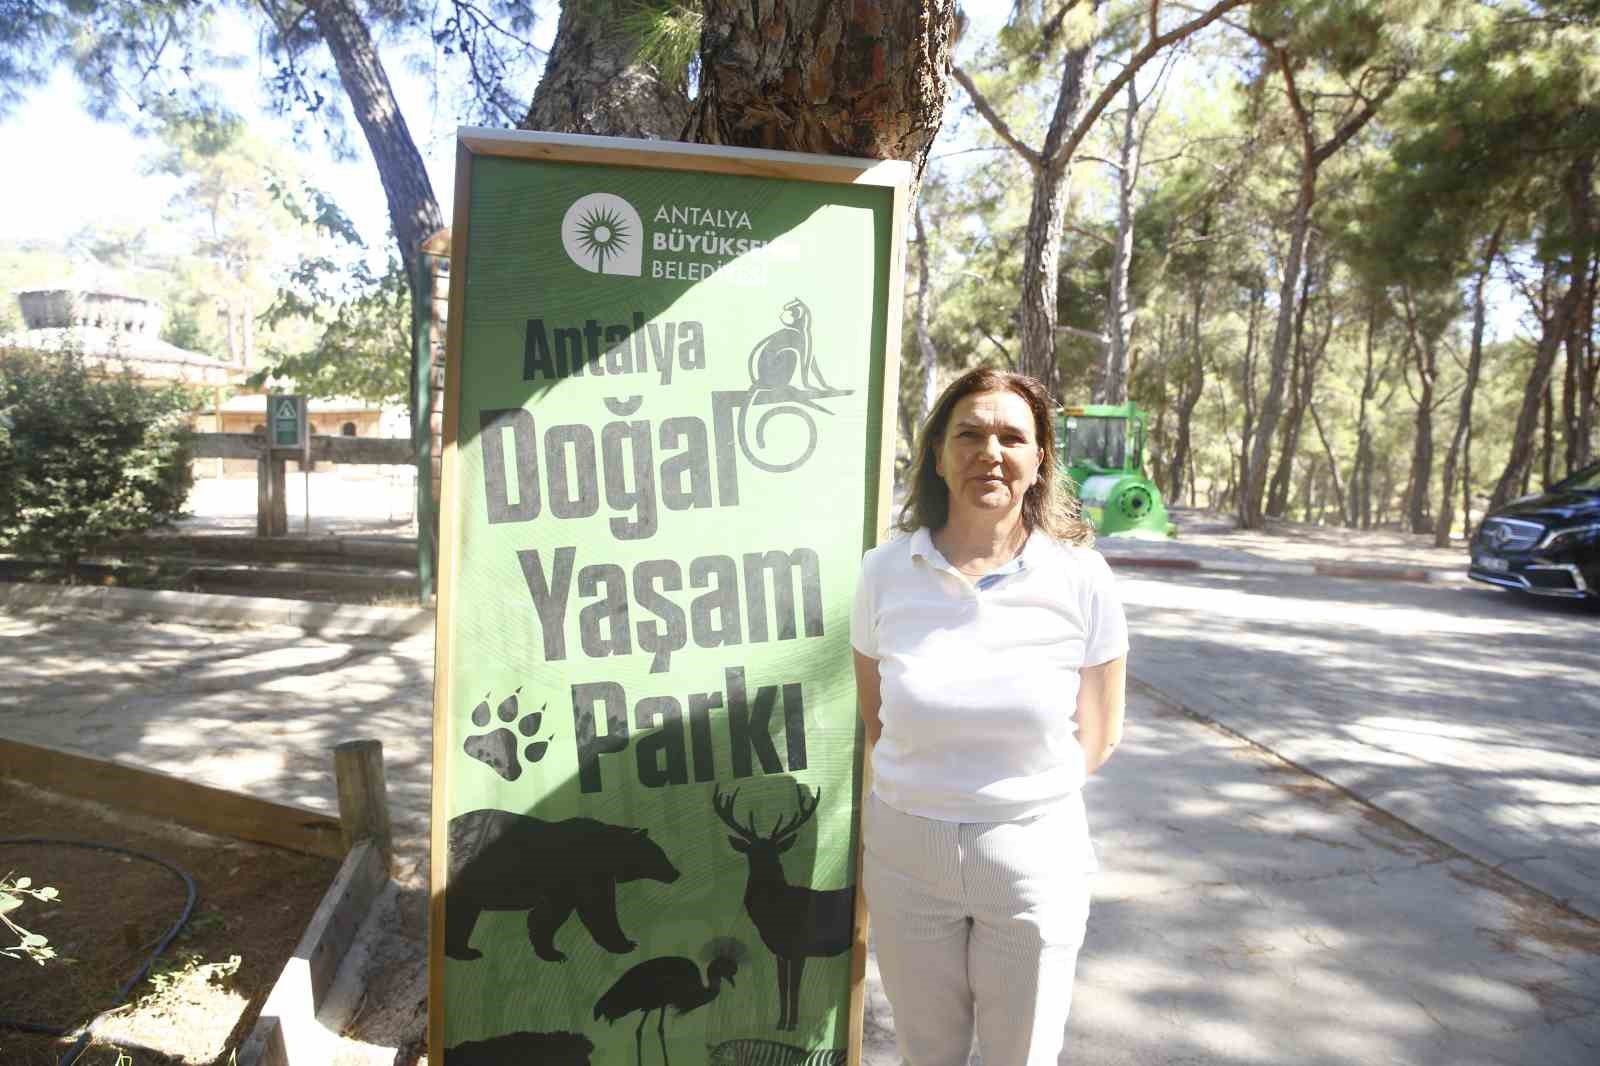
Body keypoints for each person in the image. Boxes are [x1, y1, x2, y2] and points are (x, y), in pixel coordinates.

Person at [851, 367, 1128, 1066]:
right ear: (939, 454)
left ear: (1039, 461)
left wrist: (1005, 801)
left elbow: (1100, 734)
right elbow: (878, 719)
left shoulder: (1082, 577)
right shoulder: (883, 572)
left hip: (1034, 860)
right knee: (926, 1055)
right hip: (907, 861)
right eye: (969, 434)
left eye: (1012, 436)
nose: (990, 452)